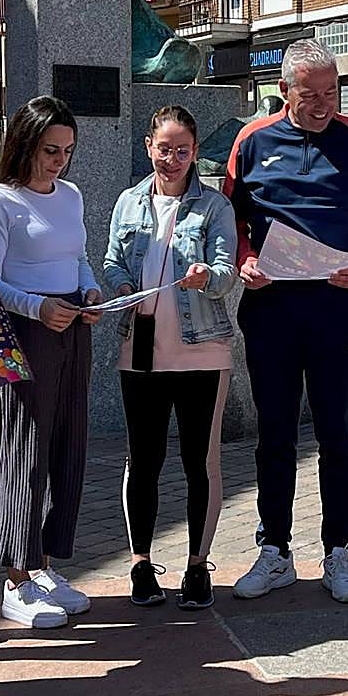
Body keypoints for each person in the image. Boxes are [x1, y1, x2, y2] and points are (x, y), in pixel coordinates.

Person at [223, 39, 348, 603]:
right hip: (272, 311)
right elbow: (234, 218)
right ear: (283, 92)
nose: (323, 104)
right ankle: (274, 549)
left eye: (331, 92)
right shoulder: (252, 141)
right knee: (274, 434)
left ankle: (338, 549)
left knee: (336, 432)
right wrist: (245, 260)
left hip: (338, 311)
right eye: (310, 95)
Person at [0, 96, 103, 628]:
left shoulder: (69, 196)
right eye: (50, 150)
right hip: (25, 333)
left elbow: (79, 258)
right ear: (24, 143)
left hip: (71, 327)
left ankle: (44, 564)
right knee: (25, 448)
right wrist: (37, 307)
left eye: (68, 151)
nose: (59, 161)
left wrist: (91, 293)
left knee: (67, 444)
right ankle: (15, 580)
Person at [104, 106, 238, 609]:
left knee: (200, 461)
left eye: (183, 150)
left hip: (202, 351)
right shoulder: (129, 201)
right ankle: (141, 564)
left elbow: (227, 272)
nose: (173, 159)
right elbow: (114, 259)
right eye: (165, 148)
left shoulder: (214, 206)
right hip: (139, 352)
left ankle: (198, 566)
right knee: (144, 460)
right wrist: (119, 285)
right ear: (148, 146)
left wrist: (208, 274)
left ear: (196, 152)